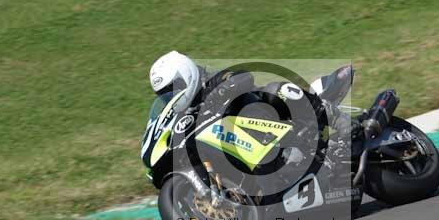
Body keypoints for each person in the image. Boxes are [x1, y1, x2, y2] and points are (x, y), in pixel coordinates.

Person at [147, 51, 362, 142]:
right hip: (250, 142)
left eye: (174, 89)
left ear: (186, 76)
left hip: (273, 116)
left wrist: (219, 93)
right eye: (166, 95)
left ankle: (340, 121)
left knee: (278, 89)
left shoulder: (212, 81)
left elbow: (243, 77)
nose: (173, 97)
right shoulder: (187, 114)